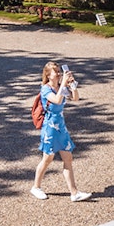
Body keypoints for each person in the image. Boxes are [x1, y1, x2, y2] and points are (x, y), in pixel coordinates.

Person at [31, 60, 91, 202]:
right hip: (50, 128)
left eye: (59, 71)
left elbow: (75, 98)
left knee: (68, 158)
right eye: (56, 72)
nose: (59, 74)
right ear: (48, 75)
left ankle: (74, 193)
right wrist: (63, 83)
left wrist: (73, 86)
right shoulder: (45, 89)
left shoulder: (60, 86)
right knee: (47, 159)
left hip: (61, 127)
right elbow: (57, 100)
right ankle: (36, 187)